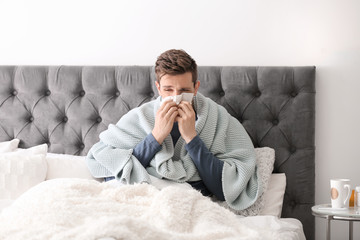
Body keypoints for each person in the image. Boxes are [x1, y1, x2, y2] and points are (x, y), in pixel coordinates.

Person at [86, 49, 261, 210]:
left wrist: (192, 138)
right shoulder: (141, 117)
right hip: (147, 200)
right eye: (169, 90)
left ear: (196, 88)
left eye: (184, 90)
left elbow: (224, 188)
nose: (176, 98)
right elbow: (114, 169)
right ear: (158, 88)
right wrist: (156, 136)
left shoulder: (217, 118)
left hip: (192, 203)